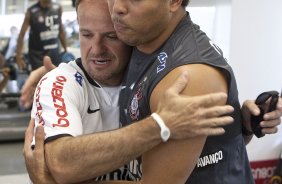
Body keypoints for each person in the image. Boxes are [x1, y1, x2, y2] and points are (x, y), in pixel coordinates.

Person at [23, 1, 236, 183]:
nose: (118, 8)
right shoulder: (145, 47)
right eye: (86, 34)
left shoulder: (186, 76)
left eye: (112, 36)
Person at [15, 0, 67, 71]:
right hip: (37, 57)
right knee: (38, 80)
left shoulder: (58, 8)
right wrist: (18, 56)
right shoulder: (31, 11)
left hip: (54, 54)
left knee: (55, 80)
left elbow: (61, 30)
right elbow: (21, 35)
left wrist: (66, 50)